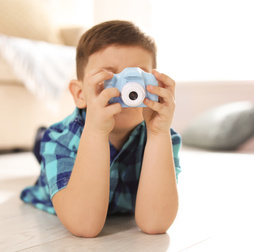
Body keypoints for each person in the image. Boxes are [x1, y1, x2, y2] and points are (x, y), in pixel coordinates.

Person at [21, 20, 181, 238]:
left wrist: (158, 134)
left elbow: (155, 224)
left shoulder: (164, 139)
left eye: (137, 76)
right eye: (110, 77)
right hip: (68, 143)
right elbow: (84, 226)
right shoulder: (59, 139)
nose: (127, 89)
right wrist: (96, 131)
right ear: (80, 94)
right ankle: (39, 140)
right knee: (43, 142)